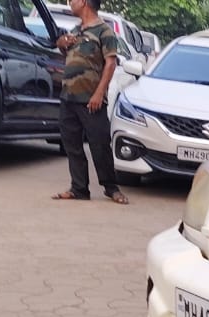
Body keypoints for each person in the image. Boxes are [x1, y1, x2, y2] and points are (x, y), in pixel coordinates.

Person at [50, 0, 128, 205]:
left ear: (84, 2)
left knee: (100, 145)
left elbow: (110, 64)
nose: (70, 3)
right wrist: (62, 44)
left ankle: (111, 188)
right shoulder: (76, 30)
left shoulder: (104, 32)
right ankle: (79, 188)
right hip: (68, 97)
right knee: (72, 145)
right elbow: (69, 55)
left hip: (91, 99)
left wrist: (99, 93)